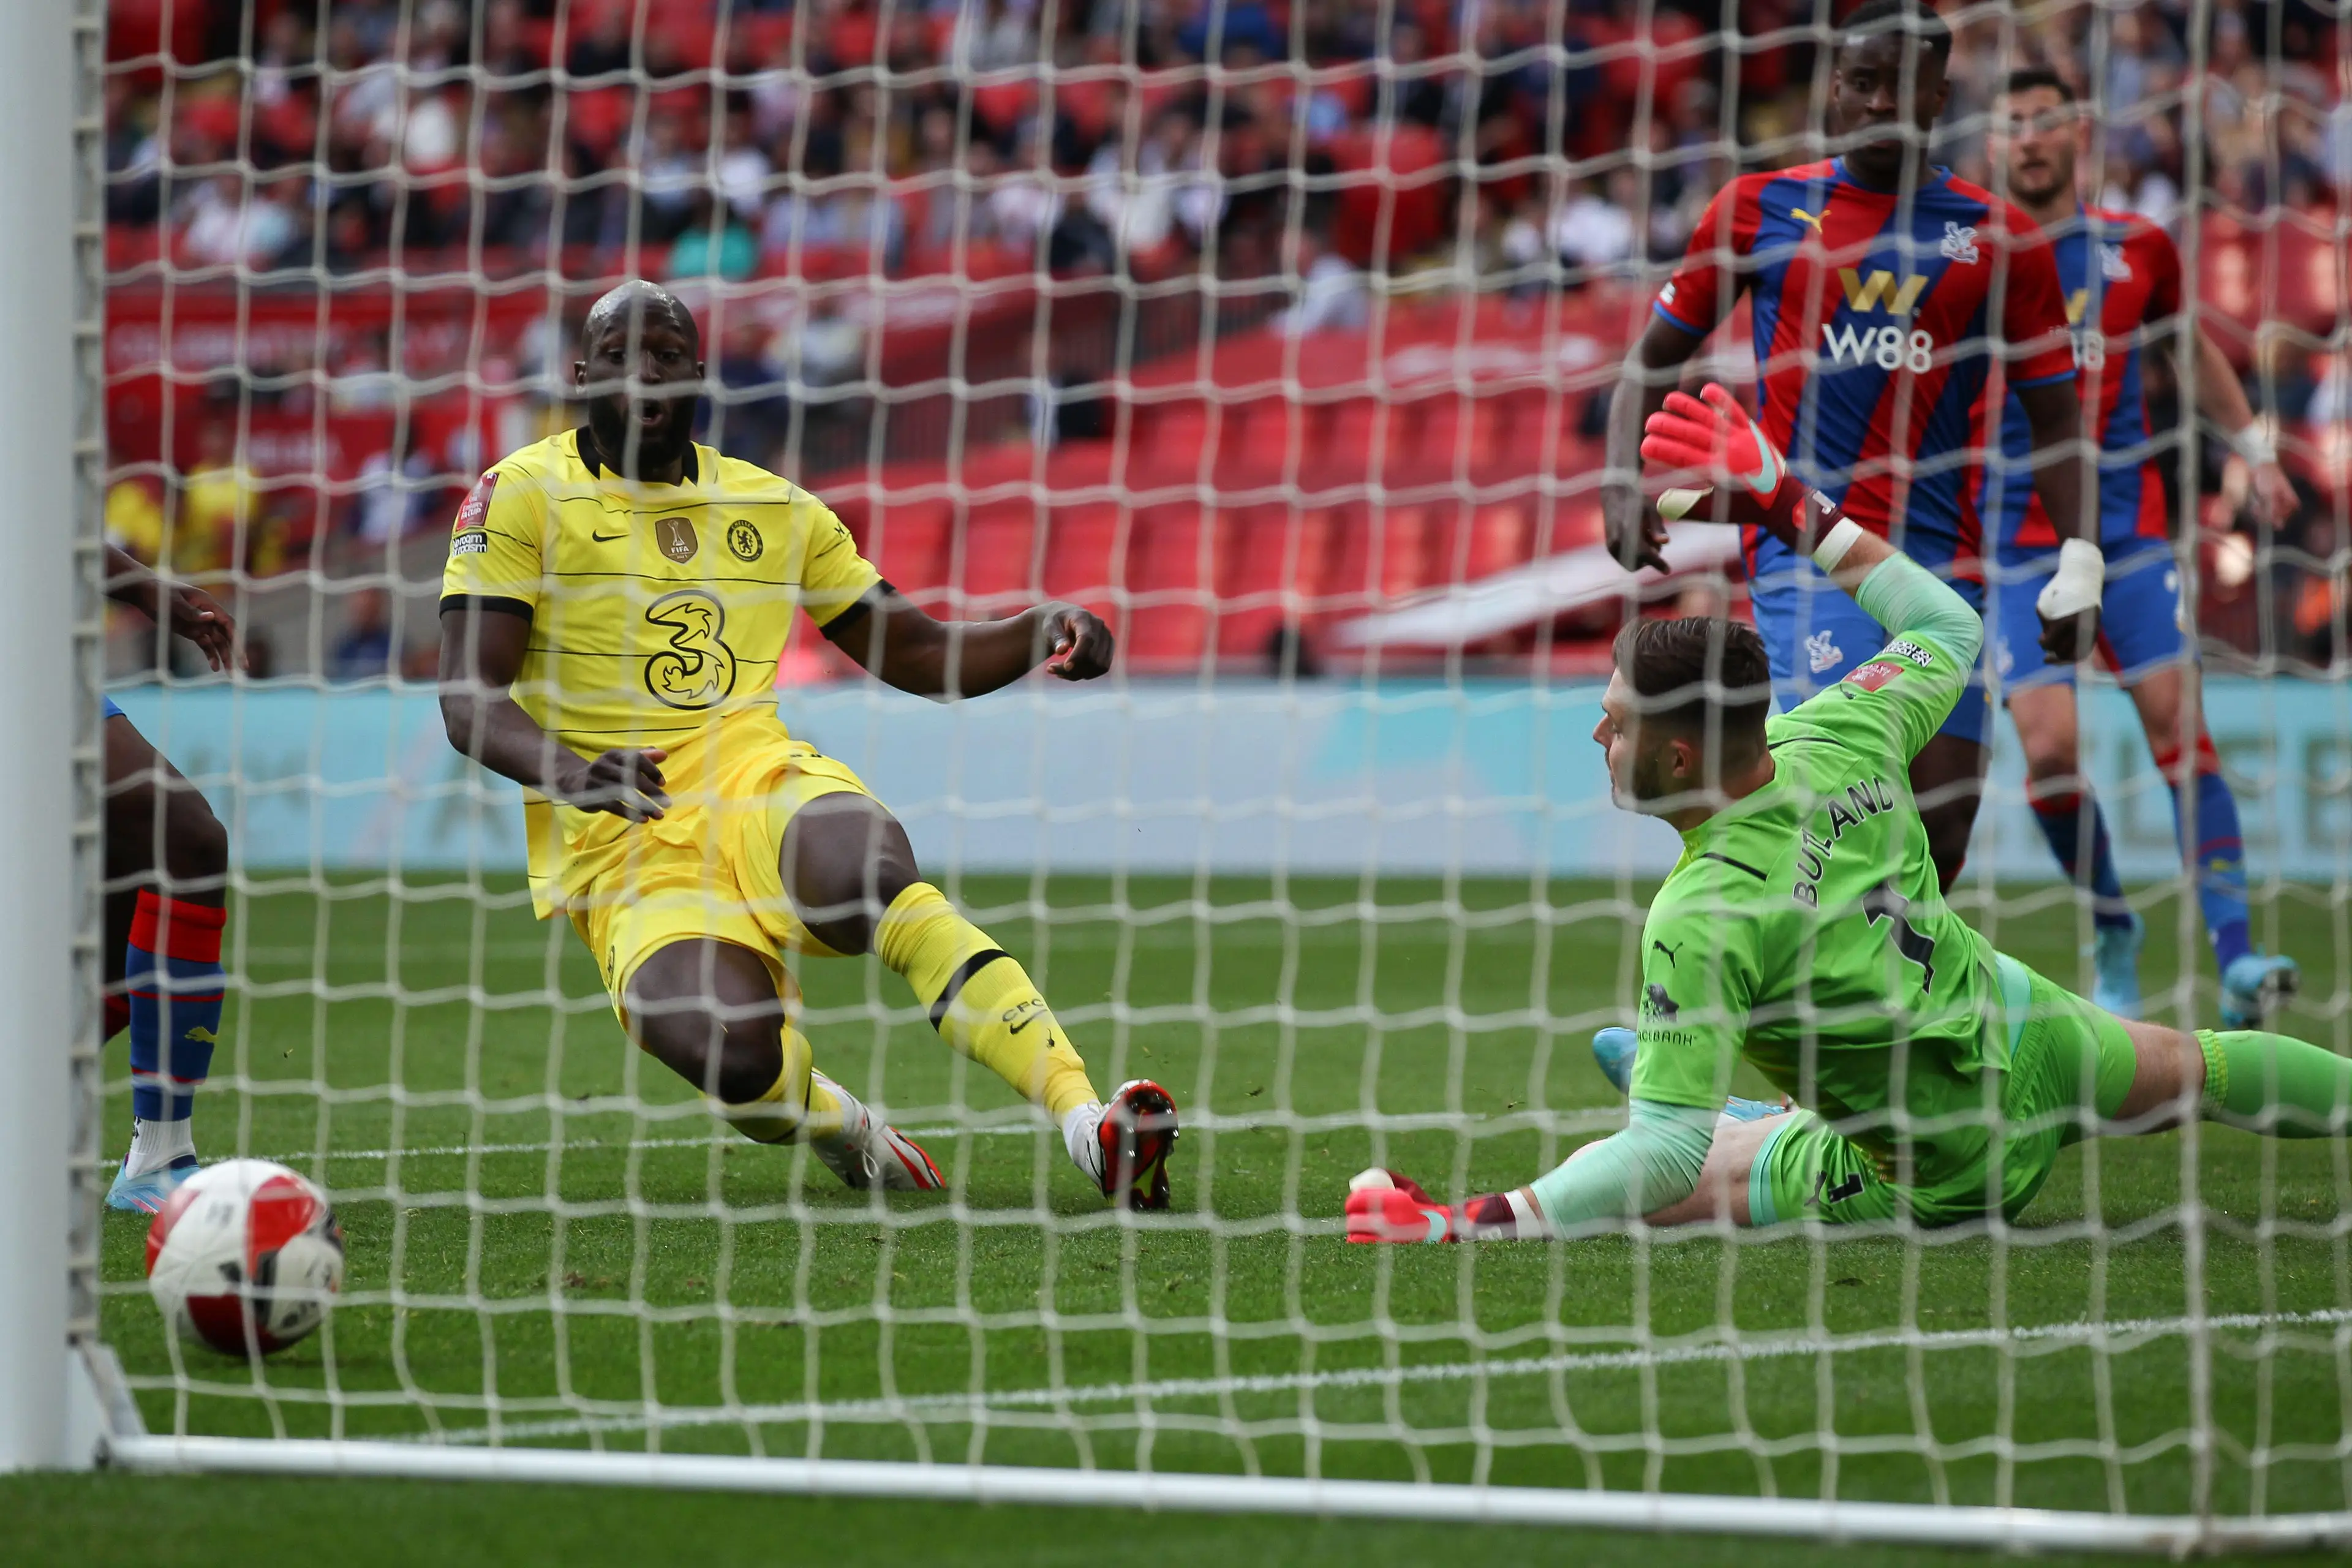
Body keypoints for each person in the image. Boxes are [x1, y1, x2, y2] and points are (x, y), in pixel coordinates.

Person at [1348, 386, 2346, 1243]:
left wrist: (1480, 1218)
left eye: (1616, 721)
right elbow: (1948, 624)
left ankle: (1716, 1138)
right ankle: (1770, 1113)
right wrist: (1788, 501)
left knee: (1698, 1171)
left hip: (1947, 1165)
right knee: (2204, 1067)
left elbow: (1661, 1155)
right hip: (2029, 1030)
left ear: (1679, 755)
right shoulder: (1841, 727)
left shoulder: (1701, 912)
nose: (1598, 735)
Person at [437, 281, 1179, 1207]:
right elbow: (469, 697)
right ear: (582, 376)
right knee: (737, 1058)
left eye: (666, 354)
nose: (645, 373)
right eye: (620, 356)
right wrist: (572, 771)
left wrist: (1041, 628)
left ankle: (1086, 1122)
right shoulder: (519, 494)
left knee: (871, 873)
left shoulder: (775, 508)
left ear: (699, 372)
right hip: (623, 836)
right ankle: (838, 1122)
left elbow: (915, 651)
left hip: (754, 779)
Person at [1604, 0, 2098, 895]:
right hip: (1805, 554)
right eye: (1861, 82)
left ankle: (1872, 977)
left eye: (1900, 86)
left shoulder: (2000, 240)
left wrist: (2081, 560)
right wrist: (1619, 483)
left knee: (1943, 821)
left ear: (1938, 97)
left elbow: (2058, 419)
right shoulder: (1758, 209)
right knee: (1839, 808)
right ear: (1834, 89)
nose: (1878, 102)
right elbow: (1653, 357)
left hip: (1938, 562)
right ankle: (1764, 969)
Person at [1980, 69, 2301, 1026]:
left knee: (2176, 720)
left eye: (2045, 120)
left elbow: (2187, 349)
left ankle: (2236, 958)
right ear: (1994, 143)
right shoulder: (1973, 252)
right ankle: (2113, 923)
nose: (2029, 138)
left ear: (2078, 131)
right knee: (2049, 752)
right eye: (2012, 124)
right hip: (2013, 542)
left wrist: (2253, 450)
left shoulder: (2137, 248)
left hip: (2124, 533)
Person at [100, 543, 238, 1212]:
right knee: (184, 838)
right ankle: (158, 1157)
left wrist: (147, 590)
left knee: (130, 898)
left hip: (33, 649)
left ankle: (154, 1158)